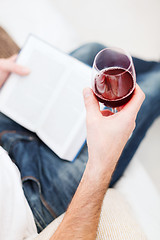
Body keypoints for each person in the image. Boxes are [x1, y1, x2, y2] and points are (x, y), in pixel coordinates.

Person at [0, 43, 159, 239]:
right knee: (153, 86)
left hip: (4, 135)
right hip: (33, 198)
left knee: (91, 52)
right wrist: (102, 163)